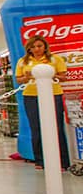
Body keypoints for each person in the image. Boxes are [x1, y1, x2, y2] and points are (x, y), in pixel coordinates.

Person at [16, 35, 71, 171]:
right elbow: (19, 80)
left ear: (45, 46)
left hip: (53, 94)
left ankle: (63, 162)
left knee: (57, 127)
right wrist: (27, 77)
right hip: (31, 95)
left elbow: (63, 77)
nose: (36, 49)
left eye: (39, 46)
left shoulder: (54, 59)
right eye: (33, 47)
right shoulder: (23, 61)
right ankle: (39, 160)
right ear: (28, 48)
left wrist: (51, 75)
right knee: (36, 128)